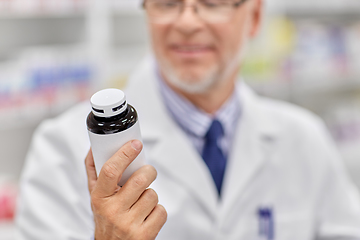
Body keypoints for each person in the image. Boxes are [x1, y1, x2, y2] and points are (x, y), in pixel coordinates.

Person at [15, 0, 360, 239]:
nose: (187, 22)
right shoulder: (60, 148)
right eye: (167, 2)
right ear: (146, 12)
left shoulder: (305, 138)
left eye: (212, 2)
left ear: (254, 16)